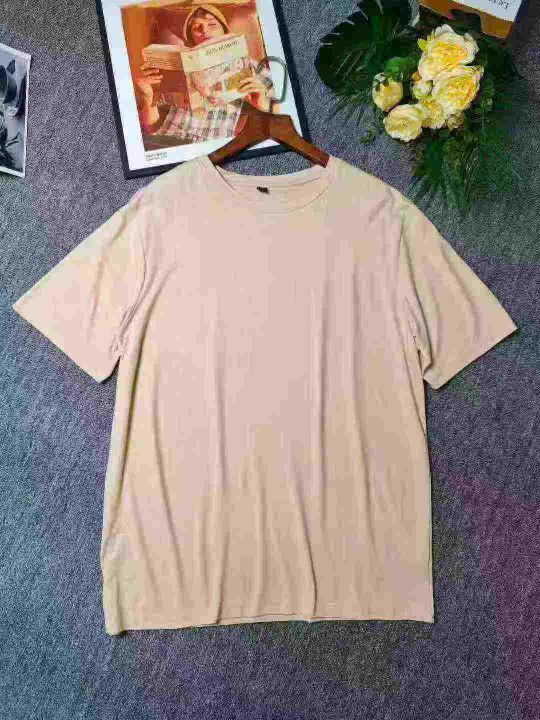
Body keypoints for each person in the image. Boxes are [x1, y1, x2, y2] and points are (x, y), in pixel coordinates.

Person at [135, 3, 278, 143]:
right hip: (171, 141)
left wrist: (263, 105)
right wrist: (147, 98)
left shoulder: (247, 65)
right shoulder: (173, 68)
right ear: (191, 39)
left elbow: (281, 112)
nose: (205, 30)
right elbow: (151, 127)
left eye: (212, 24)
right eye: (196, 27)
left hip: (218, 143)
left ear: (225, 31)